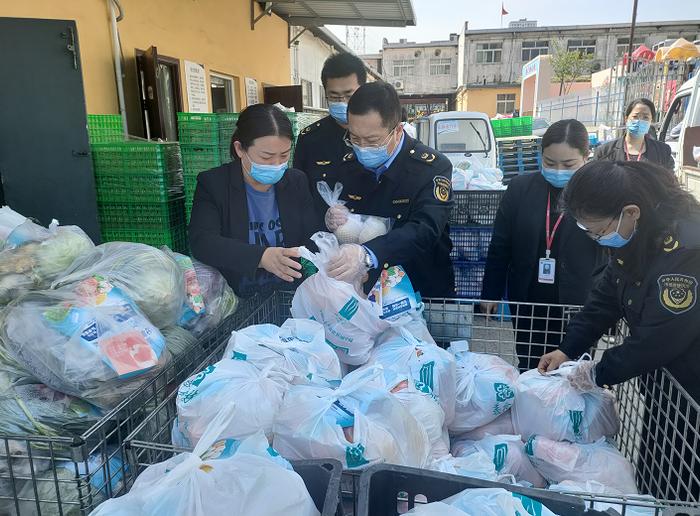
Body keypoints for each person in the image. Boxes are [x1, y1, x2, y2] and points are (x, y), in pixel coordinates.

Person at [537, 159, 700, 500]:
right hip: (665, 386)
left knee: (683, 483)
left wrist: (596, 372)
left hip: (692, 387)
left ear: (631, 212)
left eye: (598, 230)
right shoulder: (635, 237)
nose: (597, 239)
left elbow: (657, 341)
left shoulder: (685, 251)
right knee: (656, 473)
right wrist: (568, 348)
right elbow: (605, 299)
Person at [481, 119, 607, 371]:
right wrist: (490, 293)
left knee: (573, 369)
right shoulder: (520, 189)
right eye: (550, 163)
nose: (558, 170)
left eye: (568, 164)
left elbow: (609, 252)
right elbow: (500, 245)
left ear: (586, 156)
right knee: (530, 364)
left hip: (577, 301)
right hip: (529, 298)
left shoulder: (598, 193)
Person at [323, 81, 455, 297]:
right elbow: (350, 224)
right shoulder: (347, 165)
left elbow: (425, 229)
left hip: (421, 290)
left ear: (397, 130)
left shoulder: (431, 168)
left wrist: (367, 254)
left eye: (372, 140)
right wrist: (334, 218)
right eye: (354, 138)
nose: (362, 148)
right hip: (366, 292)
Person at [189, 104, 319, 297]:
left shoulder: (296, 181)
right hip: (238, 296)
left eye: (284, 155)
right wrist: (260, 257)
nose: (276, 165)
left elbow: (312, 235)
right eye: (266, 157)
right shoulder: (214, 184)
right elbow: (202, 242)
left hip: (290, 293)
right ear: (240, 149)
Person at [293, 53, 367, 222]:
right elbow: (300, 195)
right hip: (323, 236)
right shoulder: (310, 139)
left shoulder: (381, 135)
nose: (342, 102)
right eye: (334, 97)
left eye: (349, 95)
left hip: (372, 235)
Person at [594, 98, 675, 171]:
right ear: (626, 119)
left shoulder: (662, 152)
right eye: (635, 116)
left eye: (645, 117)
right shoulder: (605, 152)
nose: (640, 121)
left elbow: (670, 183)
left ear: (651, 121)